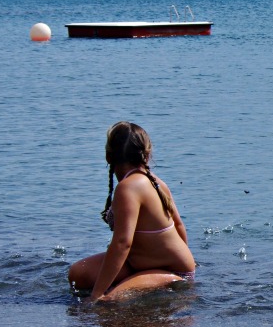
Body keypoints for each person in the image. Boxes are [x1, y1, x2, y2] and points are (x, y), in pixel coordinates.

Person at [69, 122, 195, 302]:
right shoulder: (152, 182)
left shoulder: (129, 188)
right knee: (78, 274)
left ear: (108, 157)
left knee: (107, 301)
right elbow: (180, 226)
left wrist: (98, 294)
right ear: (147, 155)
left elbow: (122, 243)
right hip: (138, 264)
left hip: (171, 270)